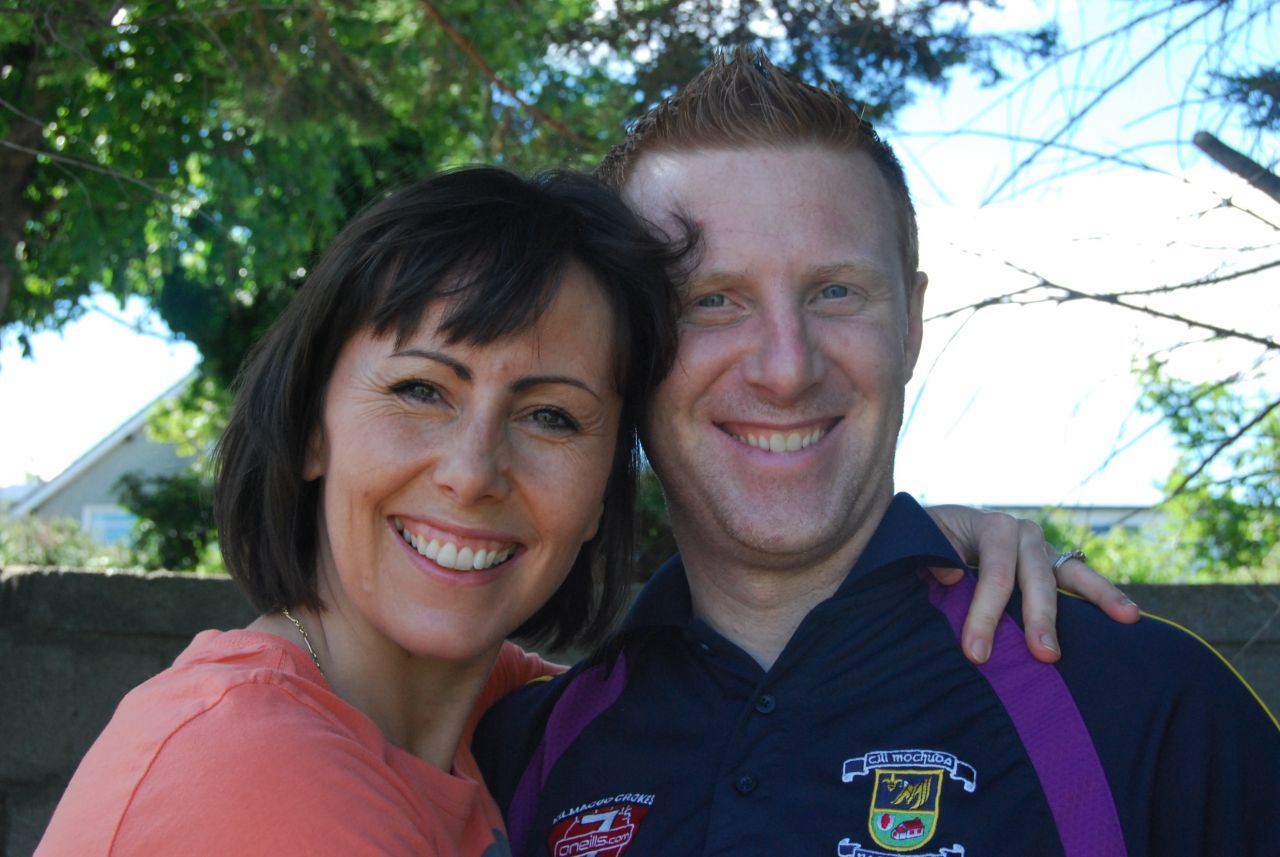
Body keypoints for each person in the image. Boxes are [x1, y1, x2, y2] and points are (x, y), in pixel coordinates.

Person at [32, 165, 1104, 857]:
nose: (471, 470)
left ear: (599, 491)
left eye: (548, 416)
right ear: (312, 427)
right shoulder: (255, 779)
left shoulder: (501, 715)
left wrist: (914, 552)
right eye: (420, 390)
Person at [473, 50, 1280, 856]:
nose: (787, 368)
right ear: (627, 346)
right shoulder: (517, 757)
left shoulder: (1149, 706)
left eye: (835, 292)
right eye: (711, 301)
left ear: (910, 323)